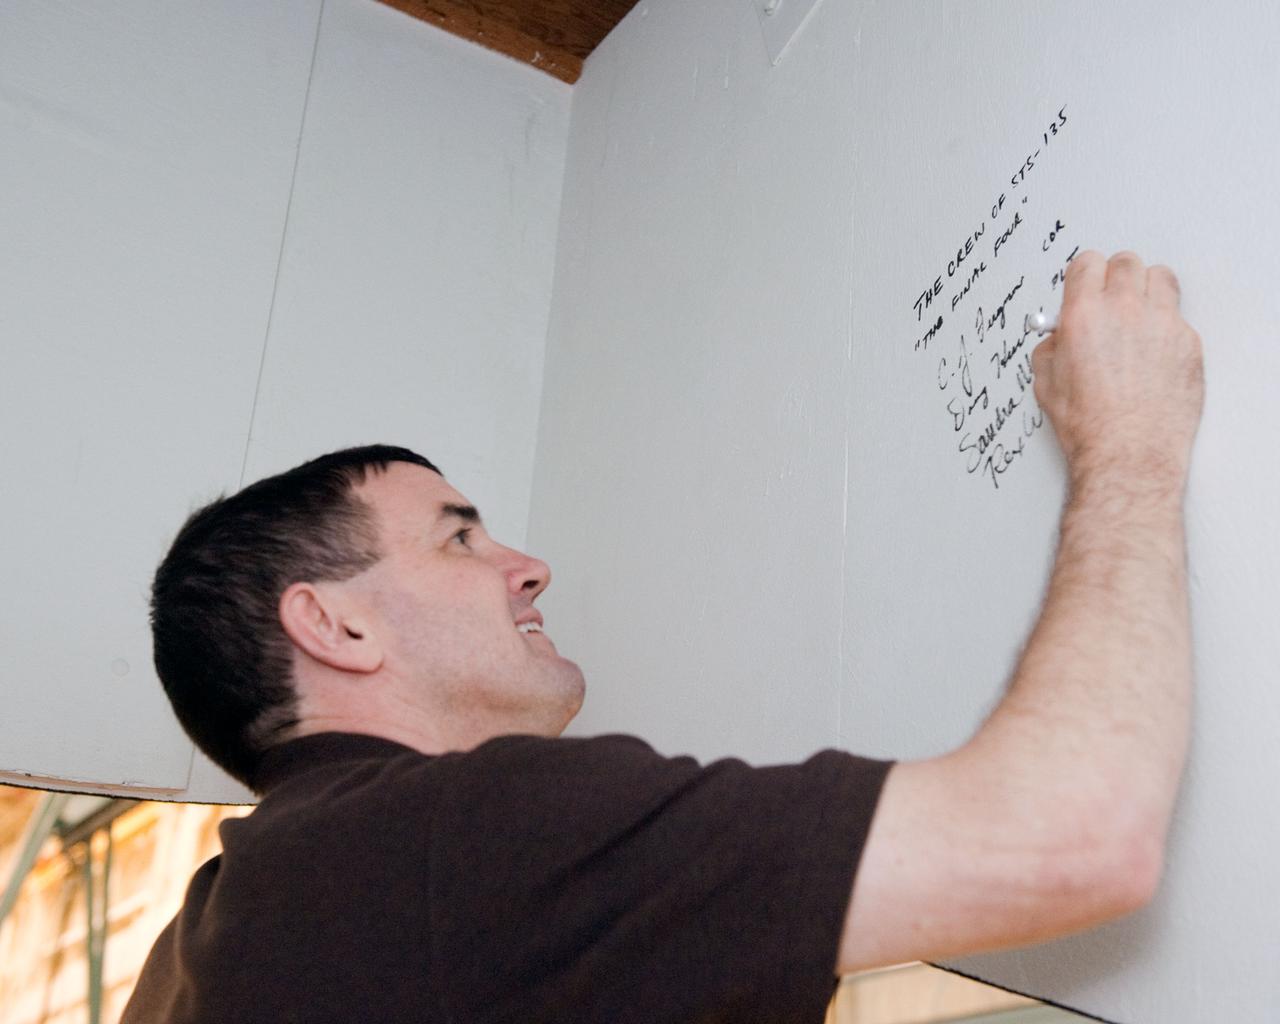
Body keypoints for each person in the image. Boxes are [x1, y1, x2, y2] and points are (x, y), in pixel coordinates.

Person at [123, 250, 1203, 1022]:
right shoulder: (453, 840)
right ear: (333, 621)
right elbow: (1076, 832)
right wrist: (1128, 442)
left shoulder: (198, 945)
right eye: (459, 539)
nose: (527, 565)